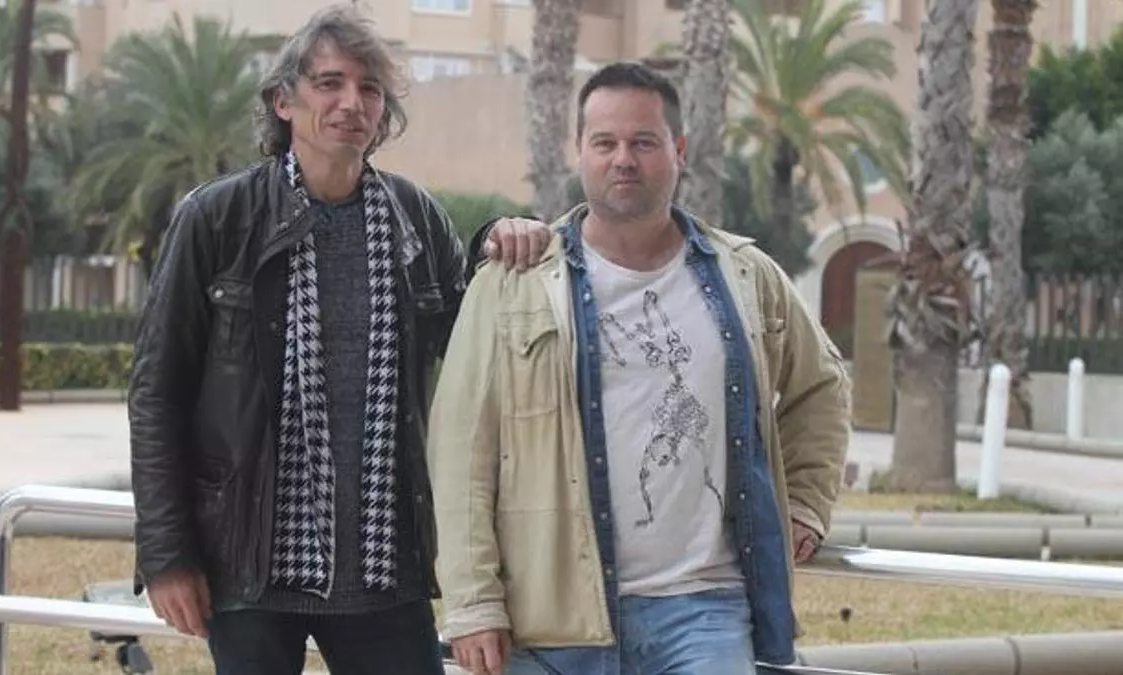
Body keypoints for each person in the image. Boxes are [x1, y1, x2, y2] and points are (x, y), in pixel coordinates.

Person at [127, 6, 550, 675]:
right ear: (284, 101)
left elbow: (476, 346)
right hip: (251, 565)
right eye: (330, 83)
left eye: (369, 88)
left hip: (385, 566)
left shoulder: (416, 219)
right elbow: (157, 391)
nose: (352, 102)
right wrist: (166, 554)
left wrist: (498, 237)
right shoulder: (218, 218)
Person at [428, 61, 852, 675]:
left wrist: (806, 503)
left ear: (679, 151)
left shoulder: (746, 276)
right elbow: (461, 446)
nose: (623, 159)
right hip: (550, 617)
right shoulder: (512, 283)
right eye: (605, 142)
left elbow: (823, 385)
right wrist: (473, 603)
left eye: (644, 142)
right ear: (579, 150)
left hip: (704, 611)